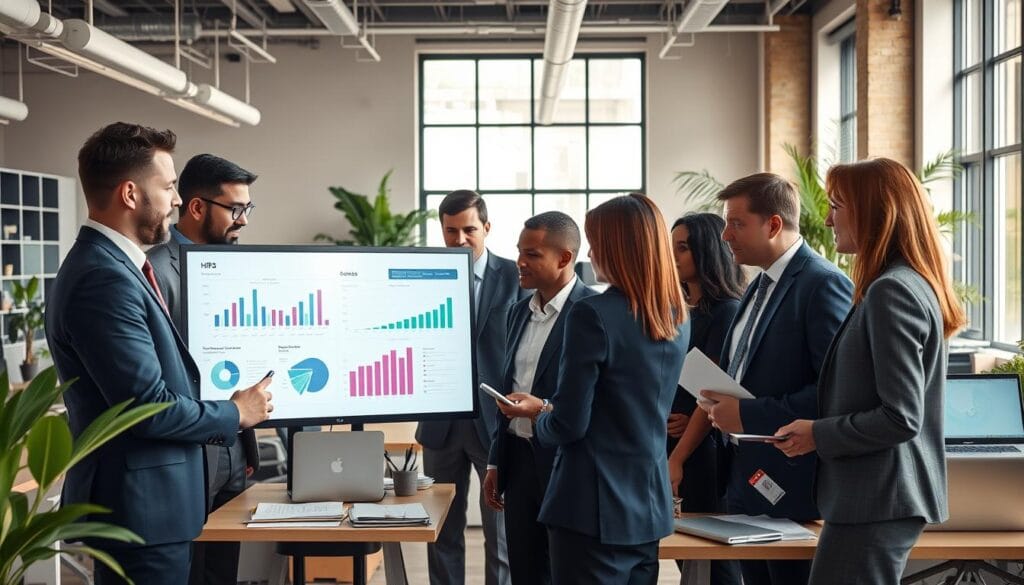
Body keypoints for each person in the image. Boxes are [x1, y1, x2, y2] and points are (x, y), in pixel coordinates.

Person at [46, 122, 273, 585]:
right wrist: (235, 413)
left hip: (154, 507)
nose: (175, 199)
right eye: (168, 186)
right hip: (143, 510)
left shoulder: (114, 266)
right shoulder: (103, 279)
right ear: (131, 194)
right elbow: (147, 408)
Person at [774, 158, 966, 585]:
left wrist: (816, 434)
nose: (826, 219)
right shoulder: (900, 284)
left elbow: (901, 417)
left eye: (836, 206)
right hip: (874, 499)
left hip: (875, 500)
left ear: (874, 213)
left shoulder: (892, 290)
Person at [498, 193, 689, 585]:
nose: (592, 252)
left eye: (596, 242)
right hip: (648, 508)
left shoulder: (592, 314)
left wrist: (538, 415)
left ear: (617, 247)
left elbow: (569, 424)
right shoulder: (676, 314)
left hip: (588, 508)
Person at [677, 173, 852, 585]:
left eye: (736, 223)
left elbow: (838, 392)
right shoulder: (759, 285)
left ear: (773, 225)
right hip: (745, 480)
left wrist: (747, 414)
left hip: (795, 482)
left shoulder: (822, 284)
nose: (725, 235)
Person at [147, 153, 259, 585]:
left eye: (247, 209)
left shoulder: (232, 265)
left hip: (233, 444)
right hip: (188, 449)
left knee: (222, 573)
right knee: (191, 572)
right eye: (235, 209)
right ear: (196, 207)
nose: (244, 221)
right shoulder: (156, 270)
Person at [482, 211, 596, 585]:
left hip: (566, 465)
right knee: (525, 570)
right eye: (519, 251)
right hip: (518, 462)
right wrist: (496, 463)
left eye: (532, 254)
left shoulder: (591, 314)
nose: (520, 261)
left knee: (567, 570)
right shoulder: (517, 313)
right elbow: (508, 389)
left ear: (564, 258)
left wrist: (541, 409)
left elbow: (593, 402)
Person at [415, 190, 520, 585]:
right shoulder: (421, 279)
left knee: (500, 532)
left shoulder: (515, 276)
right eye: (450, 231)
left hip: (496, 424)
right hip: (441, 420)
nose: (459, 240)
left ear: (487, 228)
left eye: (469, 230)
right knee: (440, 528)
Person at [666, 213, 745, 585]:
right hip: (676, 441)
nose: (673, 255)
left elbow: (711, 393)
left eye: (682, 247)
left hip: (701, 449)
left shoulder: (725, 311)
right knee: (689, 556)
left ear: (707, 250)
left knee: (714, 559)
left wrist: (678, 455)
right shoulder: (679, 311)